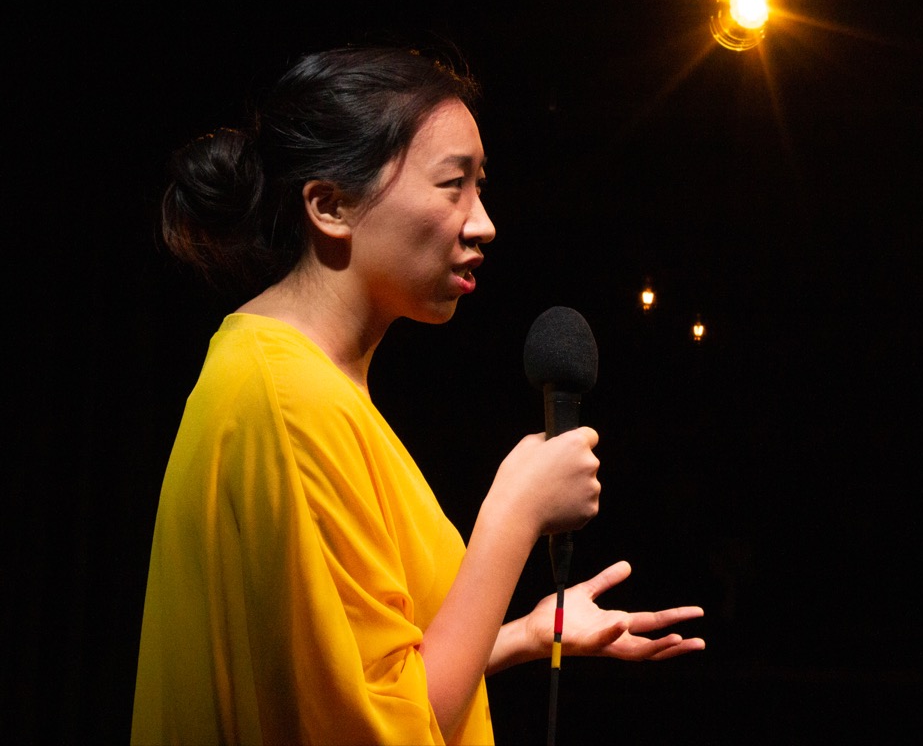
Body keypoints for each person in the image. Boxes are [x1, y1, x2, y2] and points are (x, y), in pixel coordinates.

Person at [131, 45, 705, 746]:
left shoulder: (299, 381)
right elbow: (377, 731)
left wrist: (523, 634)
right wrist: (513, 515)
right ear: (331, 204)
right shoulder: (289, 401)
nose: (483, 222)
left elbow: (363, 676)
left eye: (481, 186)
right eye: (452, 185)